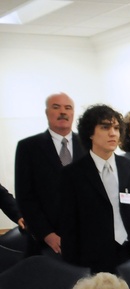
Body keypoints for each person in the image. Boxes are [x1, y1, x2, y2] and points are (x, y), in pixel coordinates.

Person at [58, 104, 130, 274]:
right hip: (93, 259)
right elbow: (69, 227)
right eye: (105, 127)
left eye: (117, 128)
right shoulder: (72, 175)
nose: (113, 133)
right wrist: (73, 269)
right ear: (90, 133)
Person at [14, 92, 86, 255]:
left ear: (73, 113)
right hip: (47, 241)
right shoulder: (28, 147)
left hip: (85, 237)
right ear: (47, 112)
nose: (63, 112)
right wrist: (46, 234)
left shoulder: (88, 145)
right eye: (56, 107)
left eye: (68, 108)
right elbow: (25, 196)